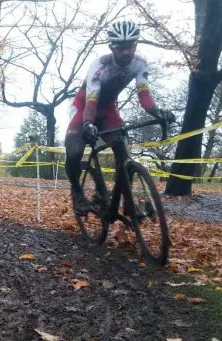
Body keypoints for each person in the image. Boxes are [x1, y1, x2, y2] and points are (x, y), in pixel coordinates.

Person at [65, 19, 175, 214]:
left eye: (130, 46)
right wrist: (88, 123)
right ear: (111, 47)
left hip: (108, 109)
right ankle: (76, 191)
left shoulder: (139, 64)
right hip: (84, 107)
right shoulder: (99, 66)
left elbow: (144, 95)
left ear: (136, 45)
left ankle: (128, 203)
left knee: (123, 153)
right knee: (74, 152)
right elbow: (91, 99)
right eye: (121, 48)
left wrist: (158, 112)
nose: (126, 52)